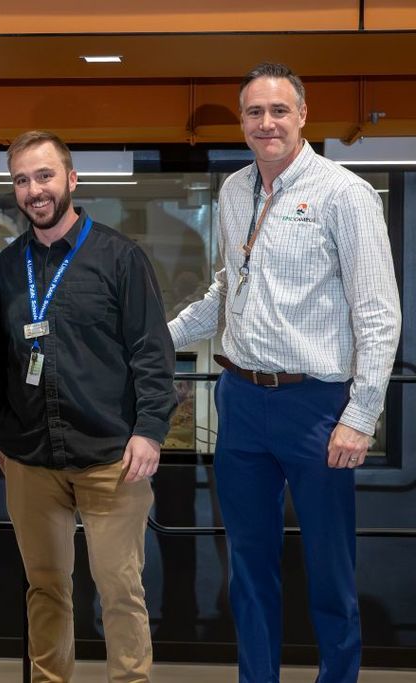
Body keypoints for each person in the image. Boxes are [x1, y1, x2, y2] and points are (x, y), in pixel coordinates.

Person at [168, 62, 401, 683]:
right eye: (253, 112)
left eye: (278, 111)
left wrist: (359, 416)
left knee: (329, 569)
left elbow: (379, 315)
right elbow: (228, 290)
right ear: (243, 121)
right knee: (248, 566)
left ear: (303, 115)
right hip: (240, 400)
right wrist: (159, 338)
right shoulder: (235, 191)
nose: (265, 123)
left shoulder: (343, 194)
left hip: (317, 406)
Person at [0, 130, 176, 682]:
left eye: (44, 176)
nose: (34, 190)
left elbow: (151, 353)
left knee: (119, 590)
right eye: (22, 180)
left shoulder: (120, 258)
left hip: (111, 455)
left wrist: (151, 430)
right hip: (29, 457)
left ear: (70, 179)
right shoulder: (5, 268)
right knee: (45, 588)